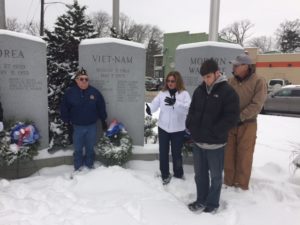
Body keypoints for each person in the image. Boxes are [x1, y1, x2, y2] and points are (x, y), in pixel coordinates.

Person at [186, 58, 239, 213]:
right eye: (203, 77)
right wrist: (190, 126)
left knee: (215, 177)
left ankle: (212, 204)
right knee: (200, 176)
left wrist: (215, 131)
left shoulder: (228, 92)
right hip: (198, 143)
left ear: (217, 73)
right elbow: (192, 110)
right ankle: (201, 200)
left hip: (216, 144)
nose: (206, 80)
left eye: (208, 77)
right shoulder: (199, 90)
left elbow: (231, 118)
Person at [224, 53, 267, 190]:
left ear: (246, 66)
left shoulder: (259, 81)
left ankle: (241, 186)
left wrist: (240, 117)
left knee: (244, 156)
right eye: (234, 65)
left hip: (248, 124)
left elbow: (257, 104)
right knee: (228, 154)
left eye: (236, 65)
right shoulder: (231, 81)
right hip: (231, 124)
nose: (234, 67)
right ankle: (229, 182)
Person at [146, 71, 191, 185]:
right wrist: (150, 109)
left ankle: (178, 174)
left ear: (177, 81)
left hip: (178, 129)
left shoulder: (184, 94)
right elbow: (155, 104)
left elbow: (187, 110)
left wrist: (175, 104)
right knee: (163, 152)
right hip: (163, 128)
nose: (170, 83)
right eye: (168, 81)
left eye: (173, 81)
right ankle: (165, 174)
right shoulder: (162, 93)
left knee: (176, 153)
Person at [60, 68, 107, 171]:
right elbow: (64, 108)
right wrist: (66, 122)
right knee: (78, 148)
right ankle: (77, 167)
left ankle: (89, 165)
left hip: (91, 126)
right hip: (77, 127)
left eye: (86, 79)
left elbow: (101, 106)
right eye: (81, 79)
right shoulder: (70, 93)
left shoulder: (94, 92)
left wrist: (103, 120)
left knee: (90, 148)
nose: (84, 81)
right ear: (76, 80)